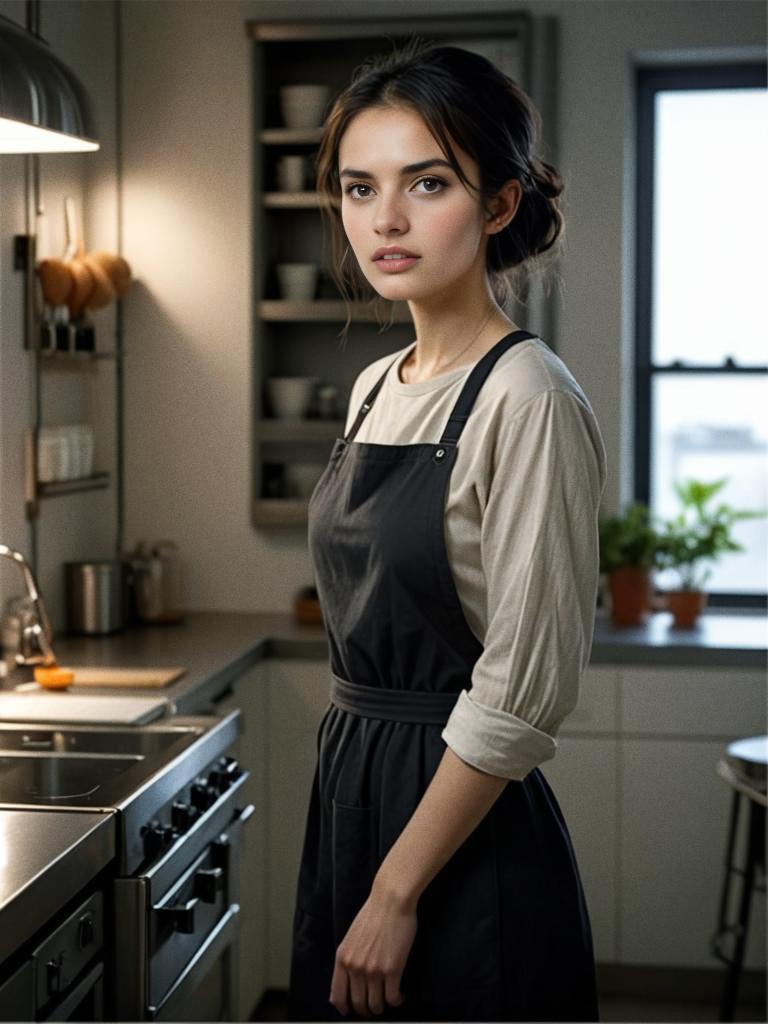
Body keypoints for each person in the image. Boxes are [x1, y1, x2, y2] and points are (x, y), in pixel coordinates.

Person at [287, 39, 607, 1024]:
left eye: (426, 183)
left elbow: (520, 685)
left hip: (455, 826)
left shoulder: (528, 395)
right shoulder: (377, 385)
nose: (384, 219)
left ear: (501, 203)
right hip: (353, 786)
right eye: (357, 187)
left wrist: (397, 888)